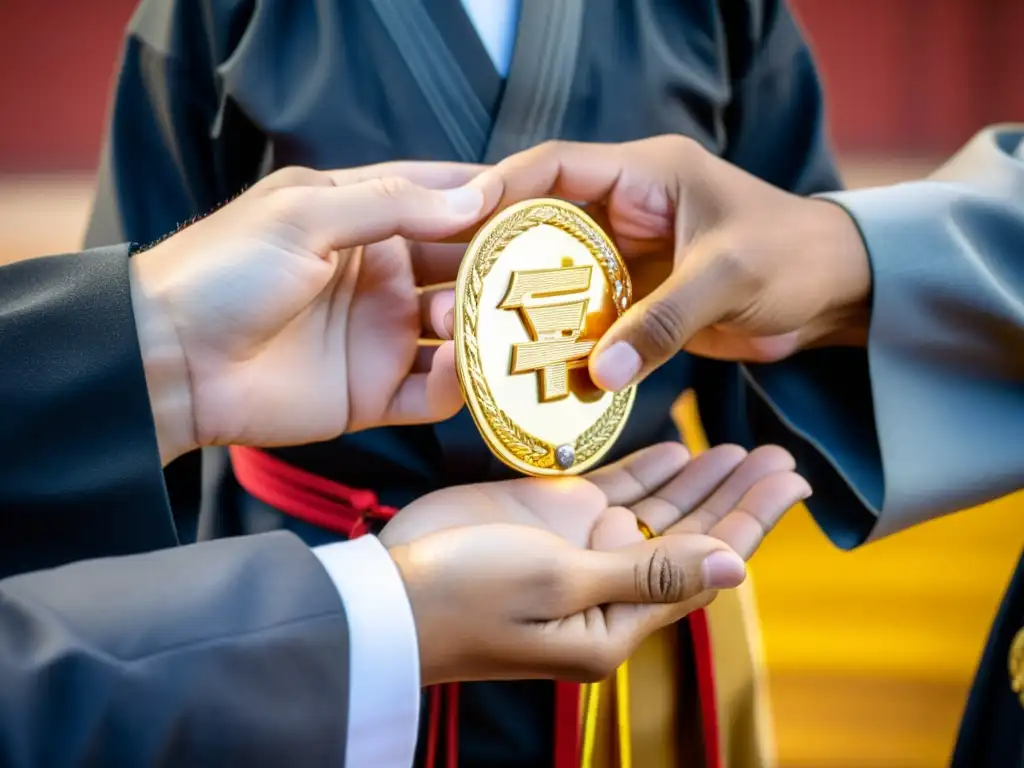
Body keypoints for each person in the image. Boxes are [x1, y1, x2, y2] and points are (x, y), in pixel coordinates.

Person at [85, 2, 839, 763]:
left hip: (625, 563)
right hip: (314, 591)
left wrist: (835, 292)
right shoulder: (213, 14)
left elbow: (793, 318)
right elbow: (128, 363)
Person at [0, 161, 811, 766]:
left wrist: (159, 351)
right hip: (295, 547)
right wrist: (372, 609)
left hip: (615, 535)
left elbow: (773, 314)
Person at [472, 123, 1024, 766]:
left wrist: (836, 286)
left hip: (647, 544)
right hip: (353, 573)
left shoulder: (714, 15)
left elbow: (757, 296)